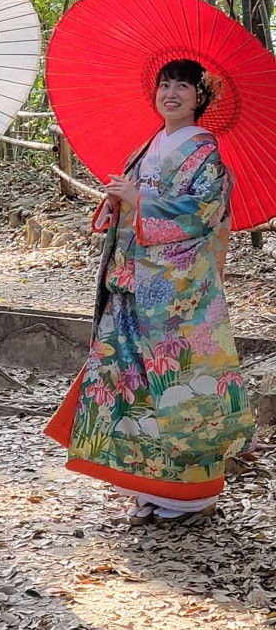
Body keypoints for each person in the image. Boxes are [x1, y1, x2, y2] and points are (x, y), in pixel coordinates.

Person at [45, 59, 255, 525]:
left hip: (177, 296)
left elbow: (203, 213)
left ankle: (192, 496)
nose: (172, 93)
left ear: (201, 98)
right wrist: (119, 199)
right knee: (131, 383)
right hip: (131, 279)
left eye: (184, 86)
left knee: (179, 388)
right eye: (165, 85)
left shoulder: (206, 154)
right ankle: (146, 486)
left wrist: (141, 199)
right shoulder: (150, 145)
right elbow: (125, 208)